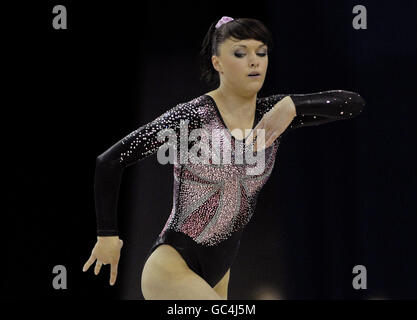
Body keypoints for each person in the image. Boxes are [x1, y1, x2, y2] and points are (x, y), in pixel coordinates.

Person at [82, 16, 365, 300]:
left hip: (219, 274)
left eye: (261, 52)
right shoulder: (194, 116)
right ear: (217, 62)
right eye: (240, 53)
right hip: (172, 267)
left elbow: (352, 103)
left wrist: (292, 105)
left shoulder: (273, 115)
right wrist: (107, 234)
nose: (254, 61)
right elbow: (111, 159)